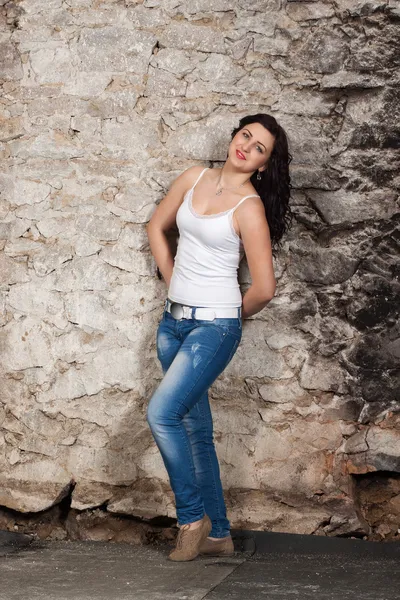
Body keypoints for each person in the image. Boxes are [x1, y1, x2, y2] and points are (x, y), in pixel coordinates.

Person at [146, 113, 293, 561]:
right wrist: (173, 283)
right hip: (172, 325)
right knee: (195, 430)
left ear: (264, 164)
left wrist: (224, 317)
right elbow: (157, 227)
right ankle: (220, 534)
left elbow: (264, 288)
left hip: (213, 329)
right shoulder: (195, 178)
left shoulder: (249, 208)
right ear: (234, 136)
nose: (247, 146)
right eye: (245, 135)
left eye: (260, 147)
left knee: (161, 414)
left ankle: (192, 519)